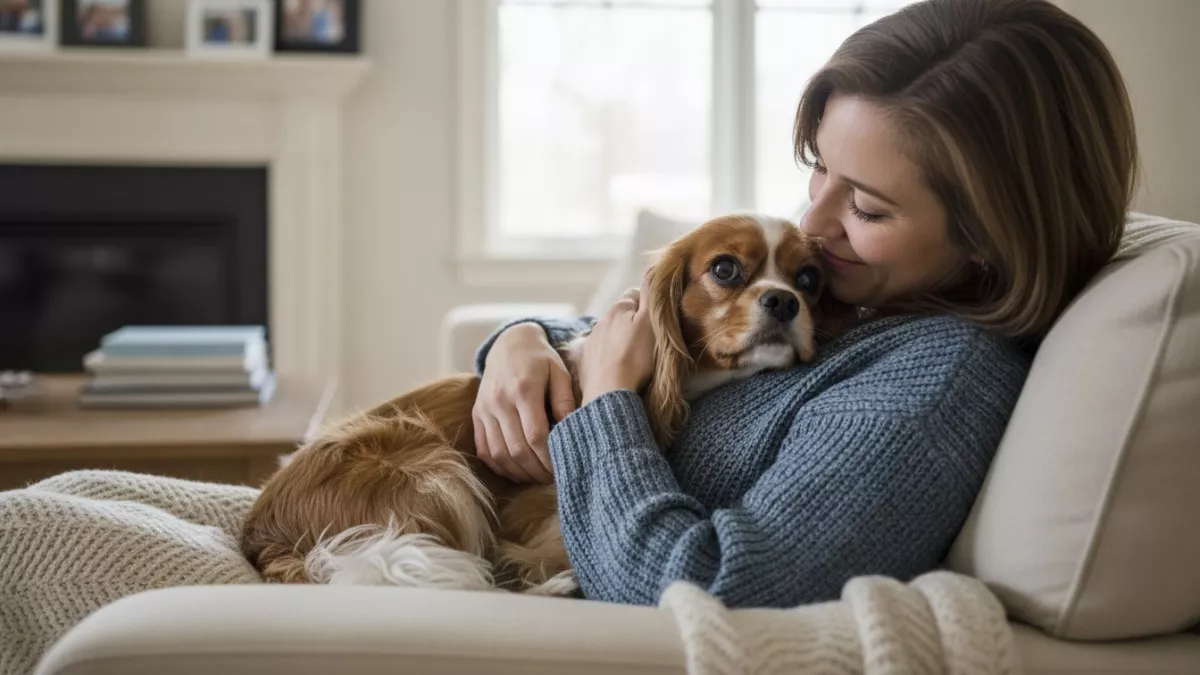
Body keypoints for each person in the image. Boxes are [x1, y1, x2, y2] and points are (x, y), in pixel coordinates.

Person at [471, 0, 1137, 608]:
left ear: (989, 238)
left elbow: (712, 589)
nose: (813, 222)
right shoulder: (860, 293)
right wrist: (523, 339)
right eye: (818, 166)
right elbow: (650, 334)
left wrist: (605, 400)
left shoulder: (936, 382)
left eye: (867, 206)